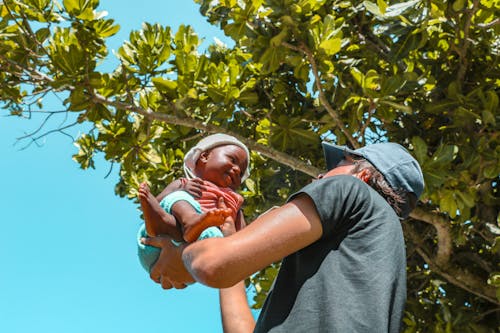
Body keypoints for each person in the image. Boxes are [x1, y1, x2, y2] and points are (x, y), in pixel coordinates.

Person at [141, 141, 425, 332]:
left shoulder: (349, 190)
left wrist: (183, 253)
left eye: (336, 164)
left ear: (360, 175)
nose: (319, 176)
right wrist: (225, 244)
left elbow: (211, 265)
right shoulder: (384, 262)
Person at [137, 133, 250, 272]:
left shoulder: (234, 200)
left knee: (211, 232)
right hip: (153, 243)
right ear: (204, 157)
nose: (237, 169)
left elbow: (243, 234)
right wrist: (182, 189)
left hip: (200, 254)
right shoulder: (185, 183)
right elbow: (160, 202)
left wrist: (234, 239)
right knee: (177, 197)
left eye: (241, 173)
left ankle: (190, 227)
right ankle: (176, 222)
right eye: (232, 160)